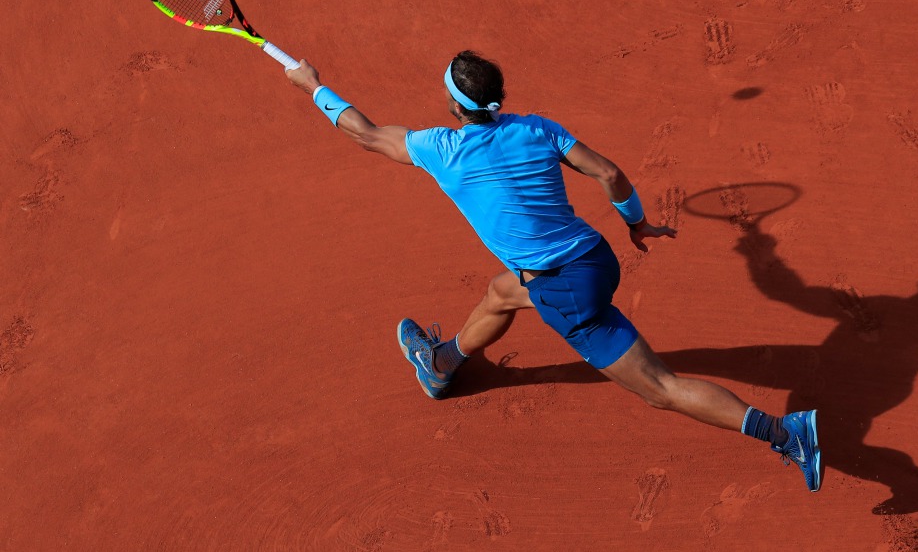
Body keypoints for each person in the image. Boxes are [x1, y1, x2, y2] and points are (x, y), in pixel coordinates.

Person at [284, 51, 823, 491]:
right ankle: (442, 363)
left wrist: (314, 86)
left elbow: (367, 133)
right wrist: (635, 224)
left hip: (565, 288)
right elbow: (608, 172)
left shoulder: (440, 149)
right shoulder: (537, 130)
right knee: (502, 293)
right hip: (595, 257)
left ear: (454, 103)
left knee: (660, 388)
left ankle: (784, 432)